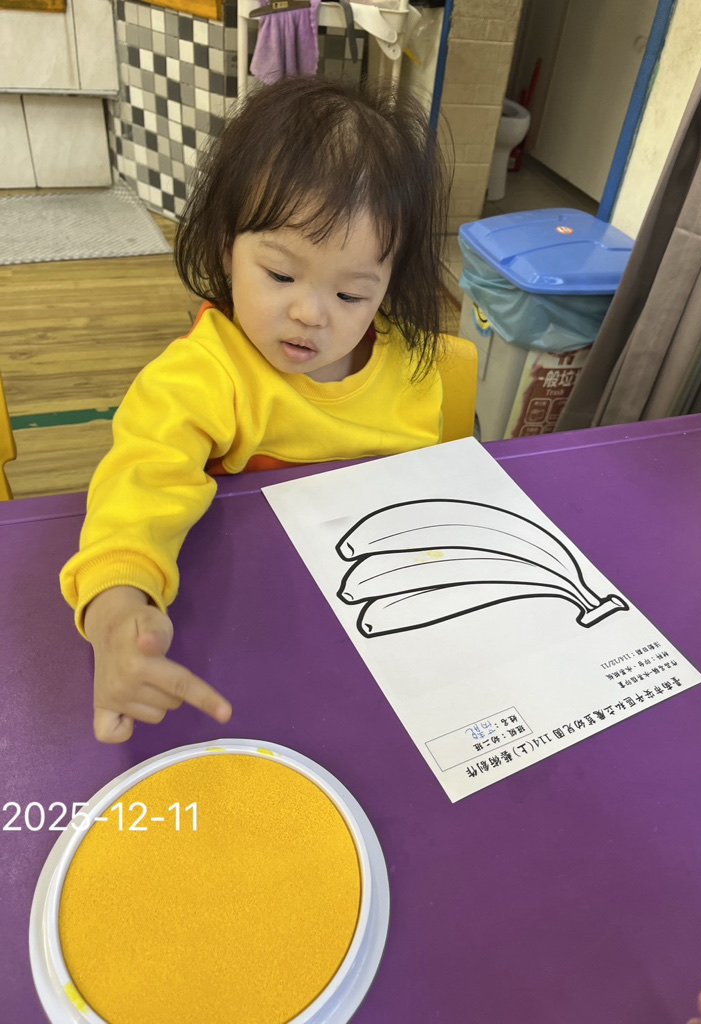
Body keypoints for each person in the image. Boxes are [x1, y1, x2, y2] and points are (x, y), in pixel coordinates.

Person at [60, 75, 451, 743]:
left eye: (351, 295)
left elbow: (420, 498)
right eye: (280, 275)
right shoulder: (204, 375)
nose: (310, 313)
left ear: (387, 286)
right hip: (242, 633)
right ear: (226, 249)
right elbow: (139, 488)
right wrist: (119, 609)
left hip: (370, 642)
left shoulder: (412, 369)